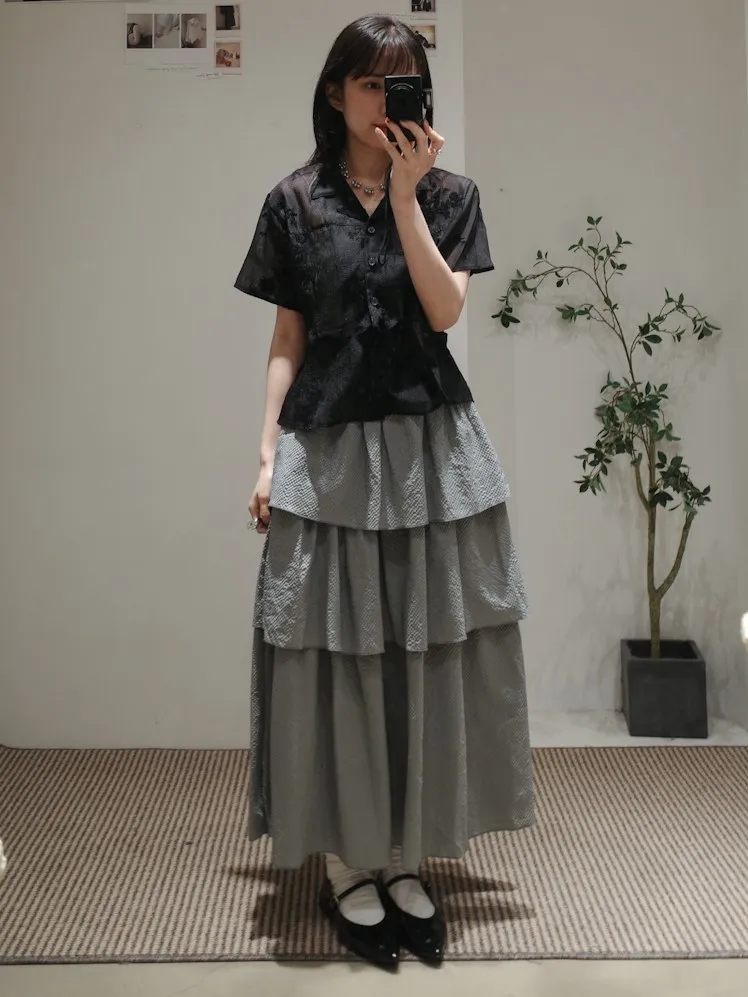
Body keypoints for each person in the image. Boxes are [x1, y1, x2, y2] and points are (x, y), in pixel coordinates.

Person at [235, 14, 535, 970]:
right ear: (335, 93)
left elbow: (443, 311)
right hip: (325, 451)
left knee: (423, 647)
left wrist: (406, 196)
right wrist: (267, 455)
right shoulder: (294, 202)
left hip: (428, 450)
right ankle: (346, 864)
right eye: (372, 83)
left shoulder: (450, 194)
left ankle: (406, 856)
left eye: (405, 83)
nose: (388, 100)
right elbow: (288, 338)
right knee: (329, 659)